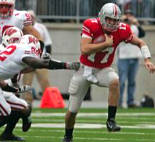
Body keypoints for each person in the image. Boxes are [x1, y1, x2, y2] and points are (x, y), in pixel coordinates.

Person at [62, 3, 155, 142]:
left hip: (103, 69)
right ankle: (68, 136)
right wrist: (105, 44)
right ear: (102, 16)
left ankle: (111, 120)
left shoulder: (123, 29)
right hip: (84, 69)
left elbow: (141, 43)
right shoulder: (91, 24)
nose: (112, 23)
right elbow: (85, 49)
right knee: (72, 112)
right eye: (109, 19)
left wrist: (147, 60)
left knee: (115, 80)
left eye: (115, 20)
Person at [0, 27, 80, 141]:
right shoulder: (23, 49)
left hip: (3, 87)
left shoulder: (14, 51)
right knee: (6, 113)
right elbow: (35, 63)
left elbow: (20, 70)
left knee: (18, 109)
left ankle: (7, 134)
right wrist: (63, 65)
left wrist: (16, 89)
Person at [117, 9, 146, 108]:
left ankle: (130, 101)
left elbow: (142, 34)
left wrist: (137, 23)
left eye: (130, 15)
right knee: (121, 82)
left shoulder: (135, 27)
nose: (129, 17)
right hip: (123, 57)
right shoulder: (120, 26)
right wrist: (122, 21)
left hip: (134, 57)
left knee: (132, 82)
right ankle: (119, 102)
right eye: (127, 15)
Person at [22, 10, 52, 101]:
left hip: (40, 58)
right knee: (27, 82)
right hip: (28, 59)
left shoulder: (41, 27)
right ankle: (27, 101)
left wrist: (47, 57)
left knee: (45, 81)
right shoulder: (22, 28)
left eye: (32, 17)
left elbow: (48, 42)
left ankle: (48, 100)